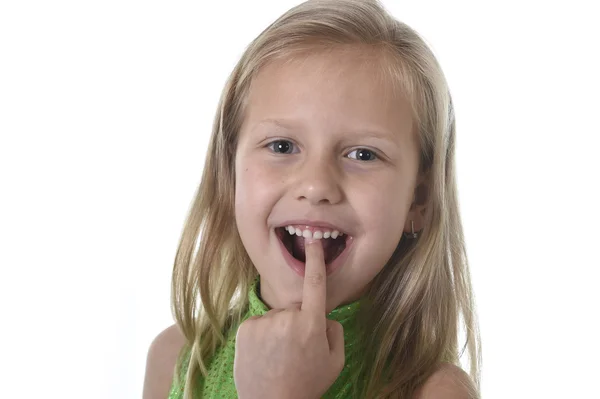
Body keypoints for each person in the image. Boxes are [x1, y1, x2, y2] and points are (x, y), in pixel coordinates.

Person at [143, 0, 481, 397]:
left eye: (363, 154)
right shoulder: (177, 360)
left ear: (417, 200)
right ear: (229, 174)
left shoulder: (435, 392)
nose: (317, 185)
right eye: (283, 146)